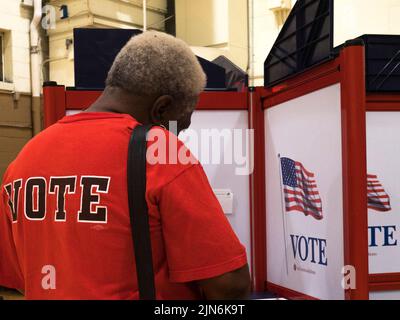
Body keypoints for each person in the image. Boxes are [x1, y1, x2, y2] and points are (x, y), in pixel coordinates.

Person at [0, 31, 250, 300]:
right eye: (180, 125)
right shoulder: (160, 152)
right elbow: (229, 285)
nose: (179, 134)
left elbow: (21, 277)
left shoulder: (25, 160)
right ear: (162, 109)